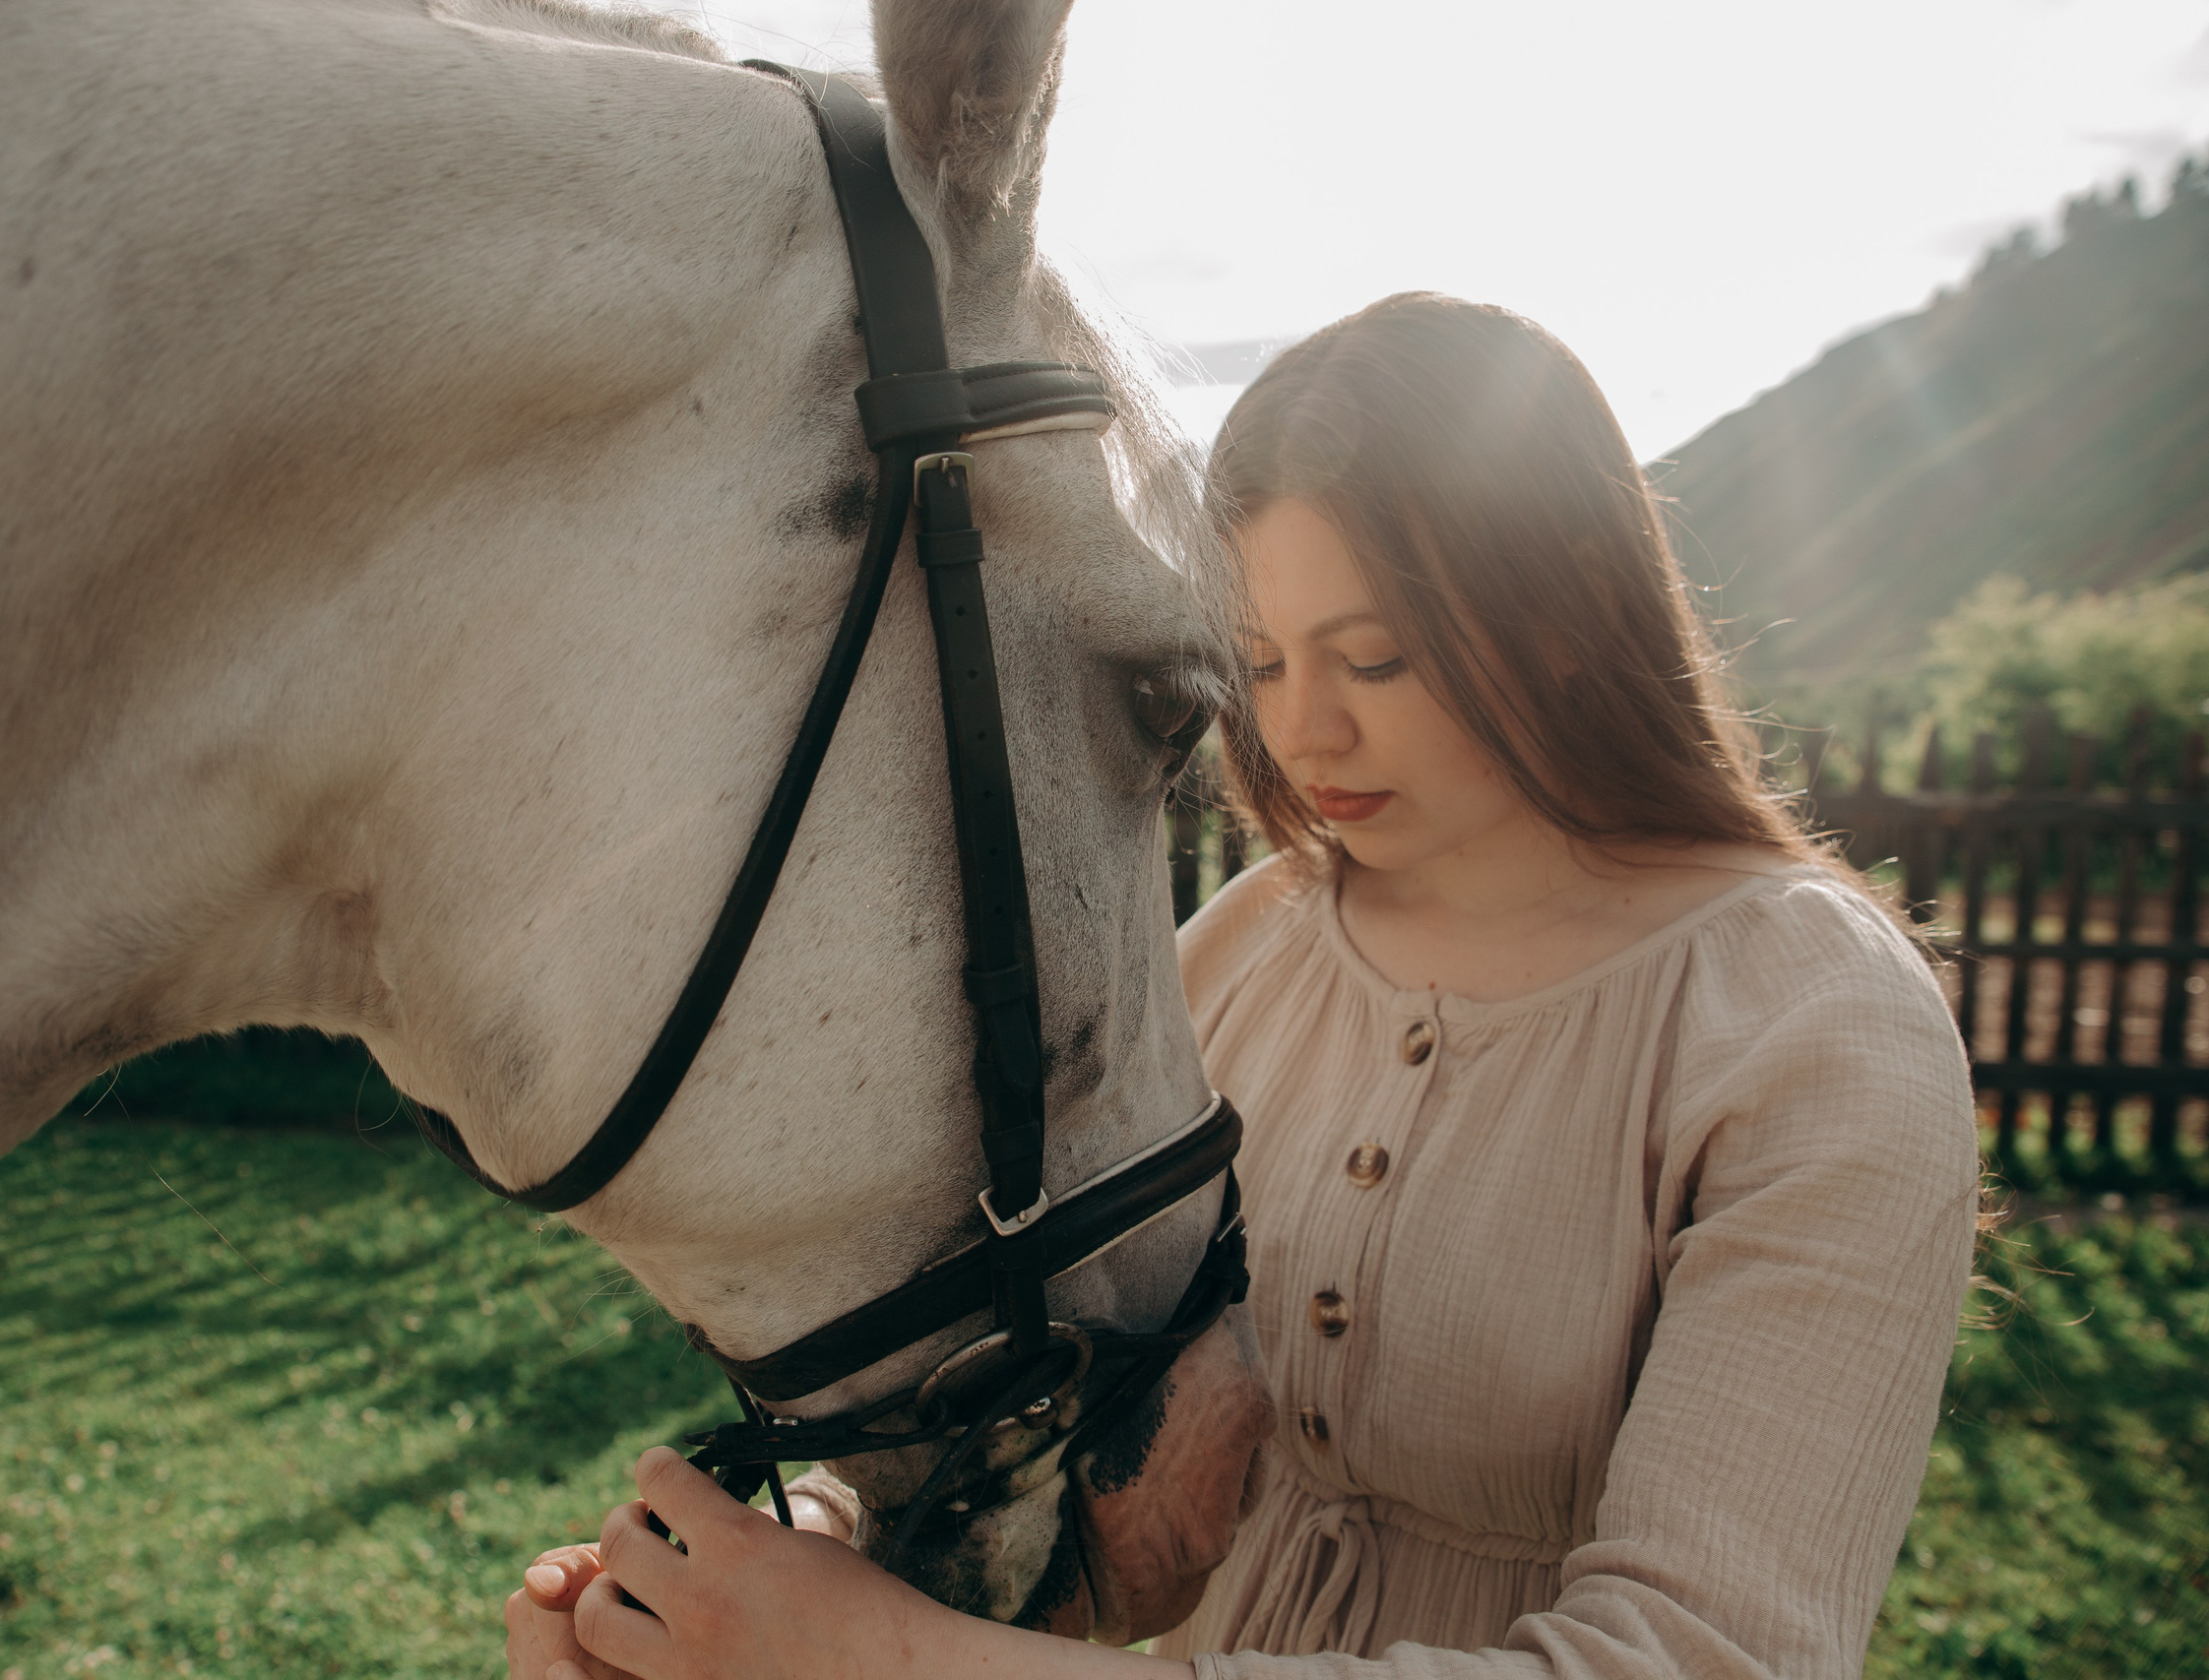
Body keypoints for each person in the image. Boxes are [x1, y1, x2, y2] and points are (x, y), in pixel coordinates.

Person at [505, 292, 1983, 1680]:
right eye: (1260, 660)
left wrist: (889, 1660)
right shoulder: (1254, 943)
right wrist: (772, 1577)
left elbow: (1710, 1658)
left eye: (1378, 658)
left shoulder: (1815, 1032)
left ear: (1571, 609)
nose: (1302, 730)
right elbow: (1084, 1462)